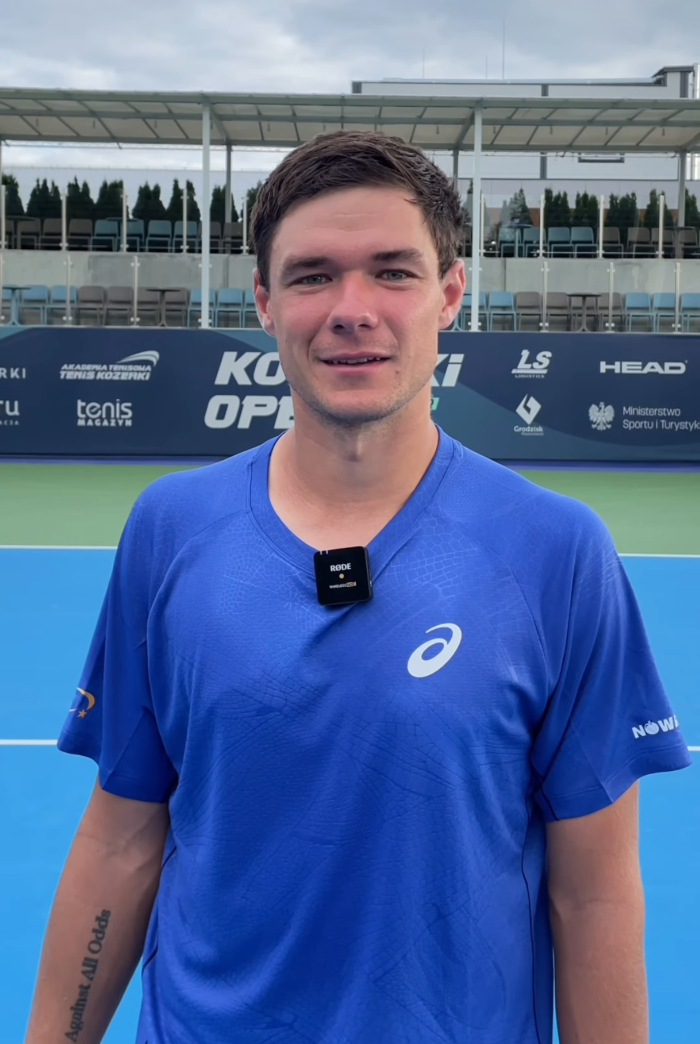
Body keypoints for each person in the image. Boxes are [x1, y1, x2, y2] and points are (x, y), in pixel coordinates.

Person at [27, 130, 690, 1044]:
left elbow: (595, 893)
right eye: (312, 276)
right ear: (264, 302)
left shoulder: (559, 551)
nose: (352, 310)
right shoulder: (169, 529)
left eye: (392, 272)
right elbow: (120, 839)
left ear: (450, 293)